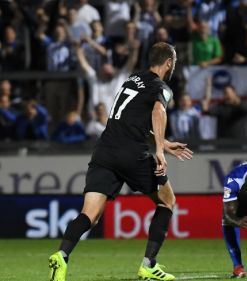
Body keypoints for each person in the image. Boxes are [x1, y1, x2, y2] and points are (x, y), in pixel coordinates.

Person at [48, 42, 194, 281]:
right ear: (168, 62)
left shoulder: (132, 79)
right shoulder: (161, 87)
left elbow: (132, 122)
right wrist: (159, 150)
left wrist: (164, 143)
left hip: (104, 151)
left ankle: (61, 256)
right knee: (167, 202)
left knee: (90, 215)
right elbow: (159, 111)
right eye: (173, 61)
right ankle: (148, 265)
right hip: (131, 154)